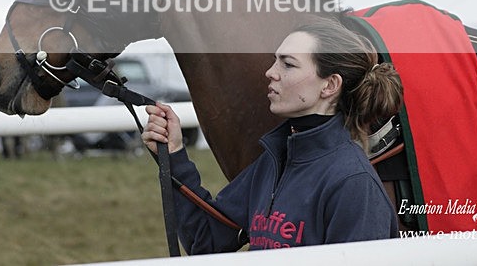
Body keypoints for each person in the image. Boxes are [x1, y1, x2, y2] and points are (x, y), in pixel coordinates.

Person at [142, 18, 403, 253]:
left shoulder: (354, 184)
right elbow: (206, 239)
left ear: (330, 85)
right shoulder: (274, 160)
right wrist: (174, 155)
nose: (270, 72)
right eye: (275, 59)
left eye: (288, 64)